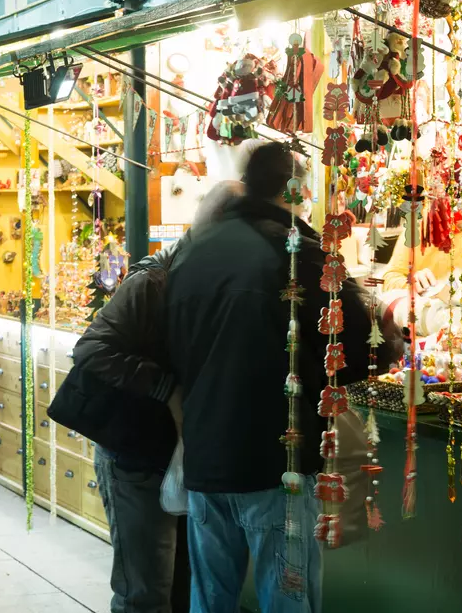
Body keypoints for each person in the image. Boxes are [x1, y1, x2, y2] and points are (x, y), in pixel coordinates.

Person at [164, 143, 402, 612]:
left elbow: (171, 348)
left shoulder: (193, 252)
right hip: (274, 464)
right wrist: (392, 340)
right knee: (287, 601)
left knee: (209, 600)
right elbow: (357, 344)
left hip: (206, 459)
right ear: (296, 188)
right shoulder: (296, 250)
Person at [52, 181, 245, 613]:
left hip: (186, 458)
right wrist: (166, 389)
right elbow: (91, 349)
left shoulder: (217, 284)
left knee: (182, 587)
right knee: (146, 593)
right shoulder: (154, 282)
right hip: (135, 453)